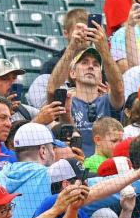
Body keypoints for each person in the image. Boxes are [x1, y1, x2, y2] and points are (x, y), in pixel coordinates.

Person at [47, 25, 125, 156]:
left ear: (101, 75)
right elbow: (52, 90)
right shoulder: (66, 100)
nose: (90, 66)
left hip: (107, 167)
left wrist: (103, 49)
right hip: (74, 166)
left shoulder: (107, 101)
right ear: (72, 73)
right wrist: (72, 47)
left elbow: (118, 88)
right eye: (84, 62)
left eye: (95, 65)